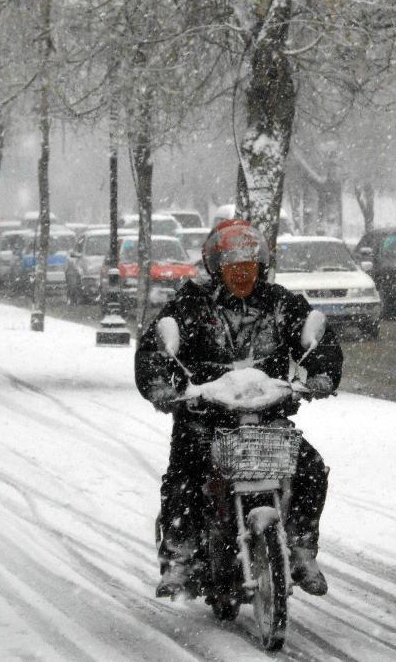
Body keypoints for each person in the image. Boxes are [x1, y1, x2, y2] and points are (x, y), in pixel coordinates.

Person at [135, 219, 343, 598]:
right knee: (184, 474)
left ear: (261, 265)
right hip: (204, 416)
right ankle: (181, 557)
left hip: (266, 416)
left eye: (249, 264)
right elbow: (156, 346)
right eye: (233, 265)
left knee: (310, 468)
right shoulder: (191, 305)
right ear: (217, 267)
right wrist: (160, 385)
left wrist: (323, 374)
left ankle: (300, 549)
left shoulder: (282, 304)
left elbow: (317, 338)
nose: (242, 272)